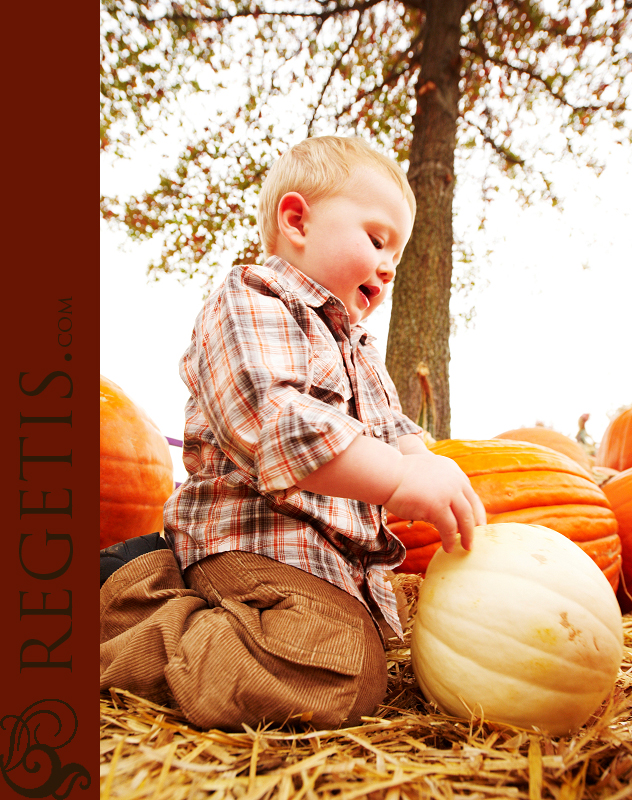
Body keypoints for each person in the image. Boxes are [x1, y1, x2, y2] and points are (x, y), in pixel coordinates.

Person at [100, 135, 486, 732]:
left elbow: (391, 428)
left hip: (314, 565)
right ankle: (123, 617)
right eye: (377, 239)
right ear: (297, 220)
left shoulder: (359, 350)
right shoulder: (253, 299)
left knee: (359, 655)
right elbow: (271, 416)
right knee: (336, 671)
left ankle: (157, 587)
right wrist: (400, 477)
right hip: (252, 544)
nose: (387, 266)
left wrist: (424, 462)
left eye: (397, 258)